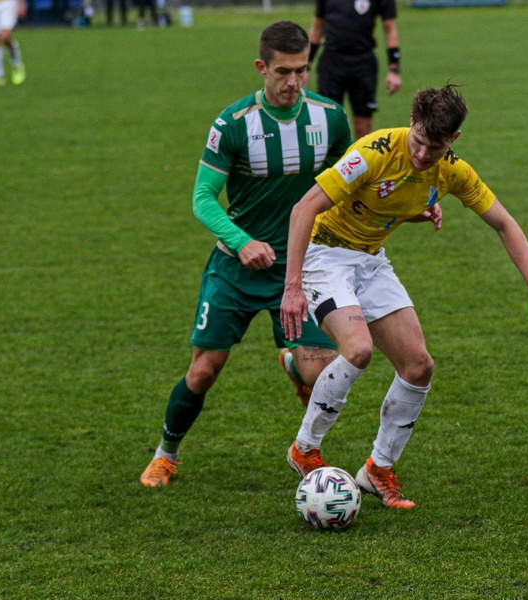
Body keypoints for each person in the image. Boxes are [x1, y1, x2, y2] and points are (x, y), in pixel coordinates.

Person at [280, 85, 528, 509]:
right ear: (412, 125)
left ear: (453, 141)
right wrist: (292, 287)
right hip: (324, 255)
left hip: (370, 260)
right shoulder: (374, 150)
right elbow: (304, 208)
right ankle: (304, 449)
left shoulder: (454, 170)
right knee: (359, 349)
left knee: (418, 366)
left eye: (433, 148)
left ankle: (378, 469)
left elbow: (505, 224)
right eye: (417, 141)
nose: (421, 154)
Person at [139, 21, 354, 488]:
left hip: (300, 269)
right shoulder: (232, 124)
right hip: (235, 270)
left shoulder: (330, 117)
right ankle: (165, 454)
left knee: (321, 373)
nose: (294, 82)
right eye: (283, 71)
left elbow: (350, 183)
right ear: (262, 67)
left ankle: (294, 375)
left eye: (302, 70)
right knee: (203, 370)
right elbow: (202, 198)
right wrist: (242, 241)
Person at [308, 0, 402, 140]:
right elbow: (317, 27)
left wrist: (394, 69)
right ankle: (331, 162)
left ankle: (360, 160)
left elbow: (389, 29)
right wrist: (305, 66)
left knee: (363, 128)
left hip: (363, 63)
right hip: (331, 63)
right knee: (328, 124)